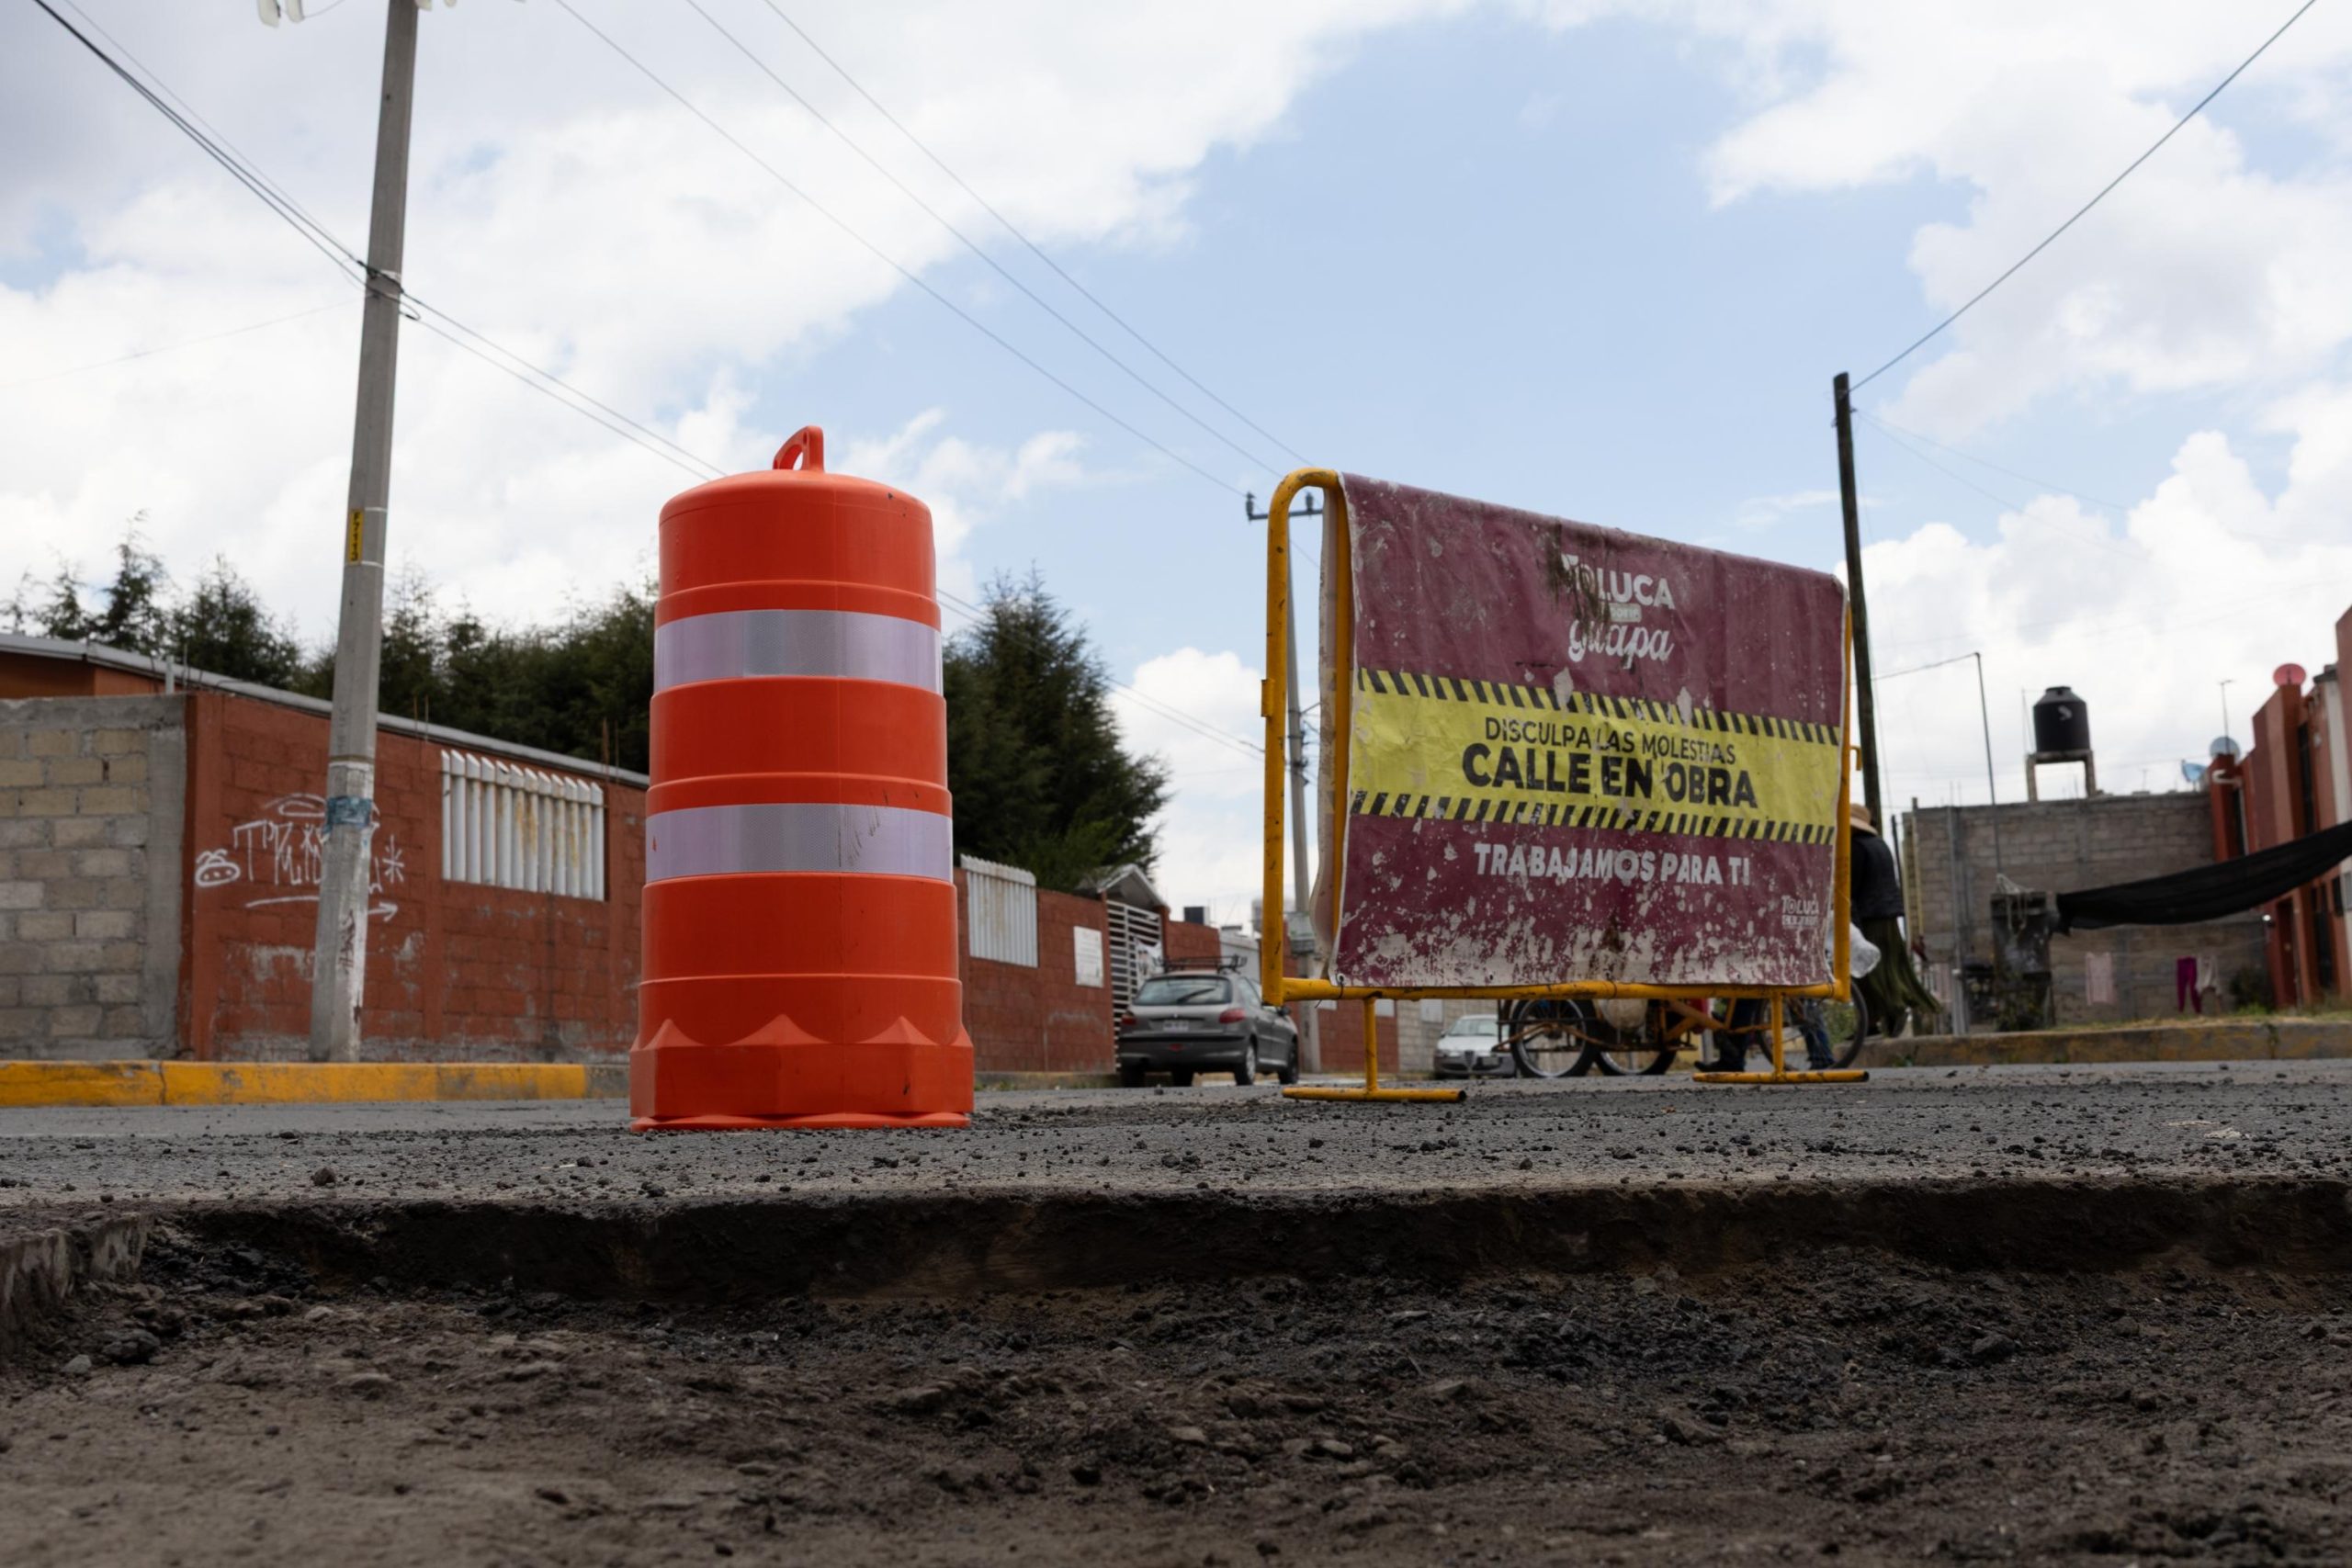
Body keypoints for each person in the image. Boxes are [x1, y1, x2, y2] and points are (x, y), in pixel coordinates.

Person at [1850, 803, 1939, 1035]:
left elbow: (1852, 889)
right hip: (1888, 917)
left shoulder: (1856, 848)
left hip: (1871, 919)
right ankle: (1874, 1021)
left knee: (1867, 971)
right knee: (1888, 970)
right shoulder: (1878, 845)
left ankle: (1889, 1012)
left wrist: (1853, 924)